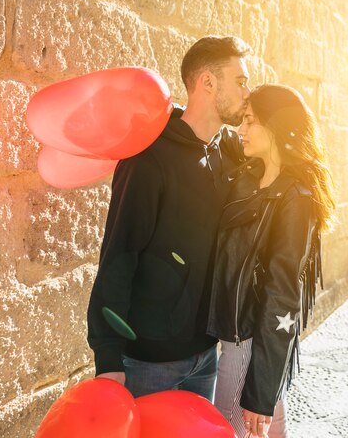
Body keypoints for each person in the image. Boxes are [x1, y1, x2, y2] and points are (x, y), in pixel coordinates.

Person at [86, 35, 251, 401]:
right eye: (240, 80)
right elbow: (118, 254)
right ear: (207, 82)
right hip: (148, 365)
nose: (247, 91)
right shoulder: (148, 159)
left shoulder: (229, 151)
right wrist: (109, 357)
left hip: (206, 356)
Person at [208, 84, 336, 437]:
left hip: (249, 338)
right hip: (232, 334)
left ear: (275, 128)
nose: (241, 129)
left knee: (231, 429)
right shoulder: (248, 178)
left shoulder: (297, 198)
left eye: (250, 121)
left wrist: (260, 392)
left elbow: (283, 293)